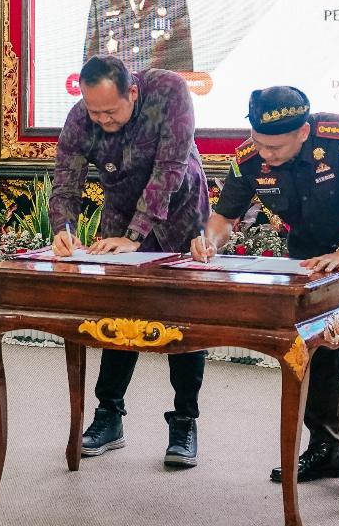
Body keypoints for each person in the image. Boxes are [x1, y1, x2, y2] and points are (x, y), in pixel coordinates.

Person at [192, 85, 339, 501]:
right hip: (308, 259)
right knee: (317, 348)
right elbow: (225, 216)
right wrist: (209, 240)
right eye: (259, 143)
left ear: (303, 132)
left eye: (275, 146)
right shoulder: (250, 158)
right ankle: (323, 447)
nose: (265, 153)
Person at [50, 55, 209, 467]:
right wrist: (63, 227)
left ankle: (184, 421)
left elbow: (169, 168)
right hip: (120, 216)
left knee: (184, 320)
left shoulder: (169, 90)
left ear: (132, 92)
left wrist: (135, 236)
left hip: (180, 213)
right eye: (93, 110)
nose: (101, 118)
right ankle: (109, 417)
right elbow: (66, 177)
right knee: (118, 316)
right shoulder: (81, 117)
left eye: (111, 111)